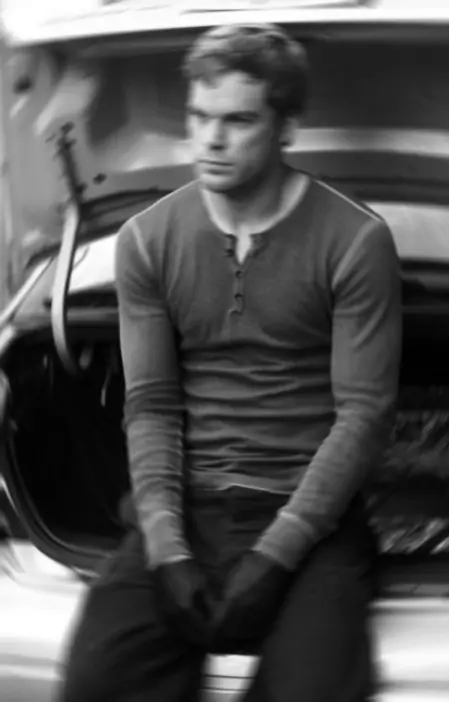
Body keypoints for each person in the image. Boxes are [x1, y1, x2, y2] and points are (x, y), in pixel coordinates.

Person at [57, 22, 402, 702]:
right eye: (199, 116)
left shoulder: (356, 240)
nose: (210, 140)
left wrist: (275, 558)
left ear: (286, 127)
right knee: (98, 680)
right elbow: (151, 406)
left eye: (238, 120)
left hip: (312, 520)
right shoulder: (147, 239)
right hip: (188, 508)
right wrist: (167, 552)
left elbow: (365, 416)